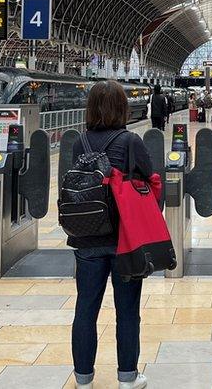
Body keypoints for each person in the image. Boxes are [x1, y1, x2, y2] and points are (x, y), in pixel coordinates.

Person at [70, 80, 152, 389]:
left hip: (88, 237)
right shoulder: (131, 142)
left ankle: (83, 379)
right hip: (125, 240)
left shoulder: (80, 143)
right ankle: (128, 377)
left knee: (85, 309)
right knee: (127, 311)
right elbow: (150, 181)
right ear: (122, 108)